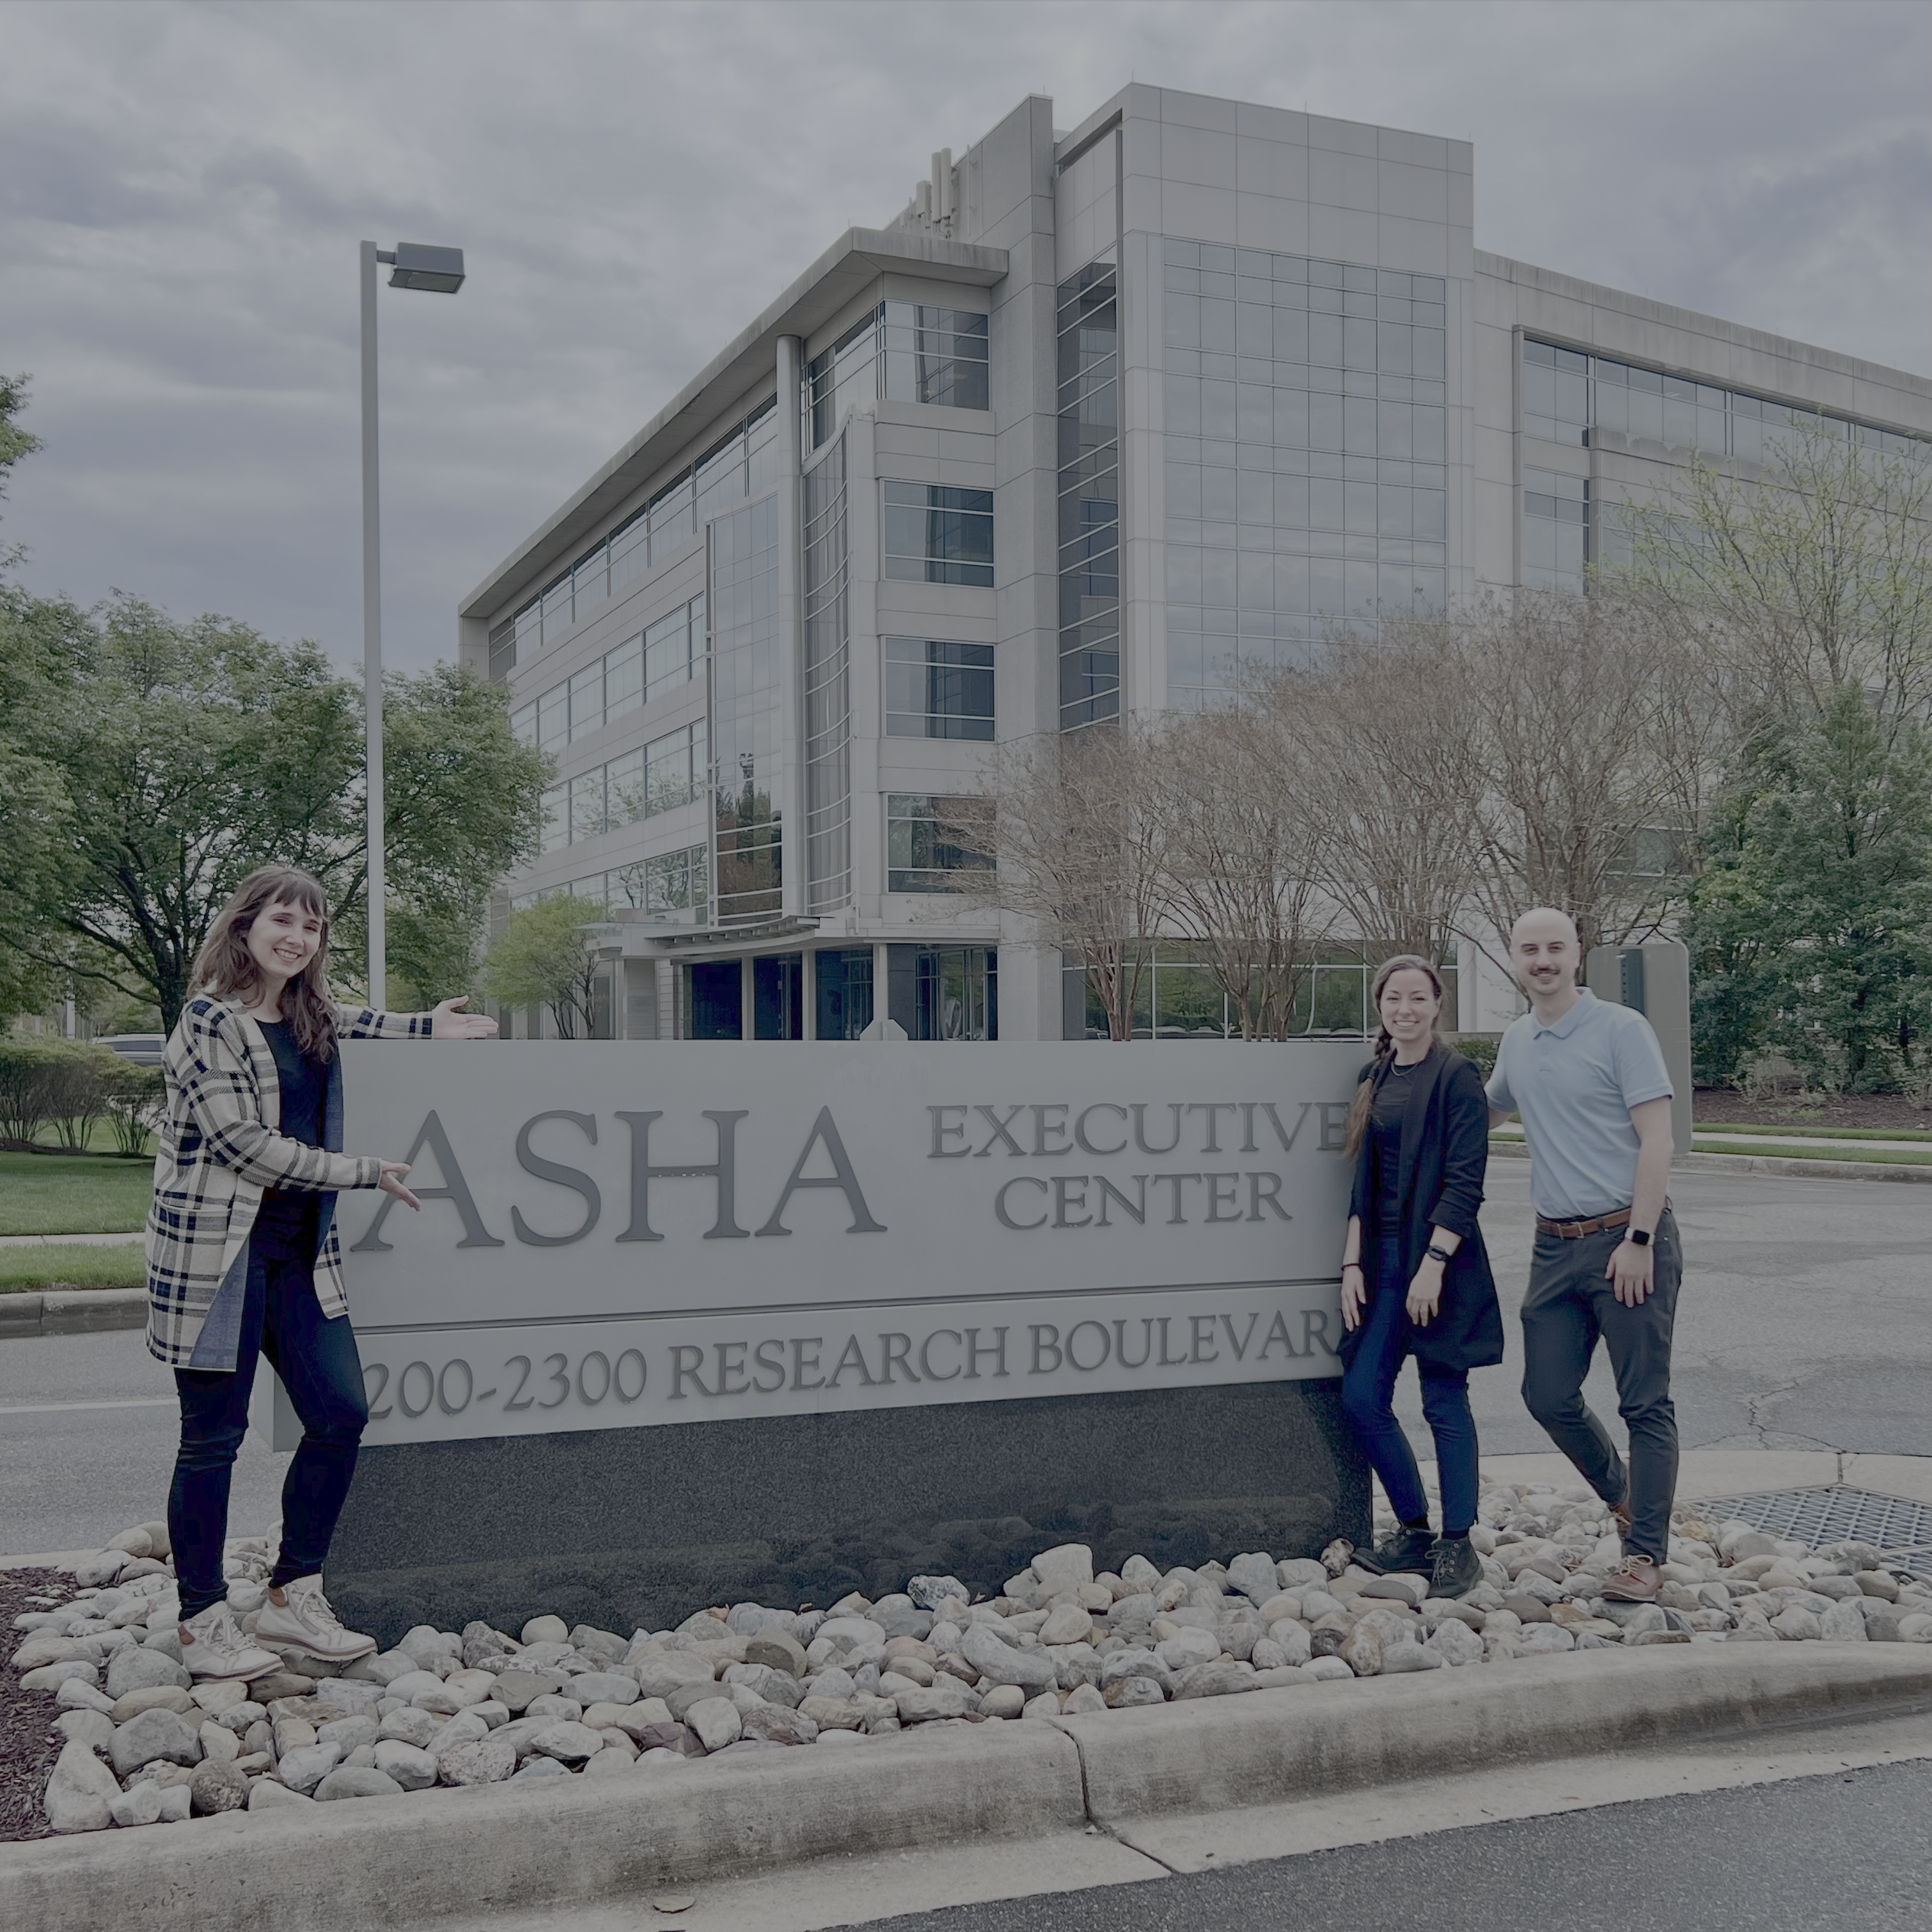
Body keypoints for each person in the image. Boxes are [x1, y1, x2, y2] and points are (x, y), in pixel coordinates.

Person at [146, 863, 497, 1680]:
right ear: (244, 926)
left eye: (311, 926)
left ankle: (290, 1596)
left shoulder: (311, 1014)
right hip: (217, 1261)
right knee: (212, 1443)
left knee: (340, 1412)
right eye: (282, 920)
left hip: (301, 1255)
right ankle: (201, 1619)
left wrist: (428, 1027)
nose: (296, 937)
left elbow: (362, 1019)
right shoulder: (209, 1021)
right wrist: (361, 1171)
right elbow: (239, 1142)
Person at [1486, 907, 1679, 1605]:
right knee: (1546, 1394)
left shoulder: (1622, 1030)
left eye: (1555, 948)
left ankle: (1646, 1555)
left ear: (1578, 955)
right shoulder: (1518, 1039)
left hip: (1627, 1238)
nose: (1543, 959)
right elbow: (1487, 1112)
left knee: (1644, 1403)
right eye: (1530, 949)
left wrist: (1640, 1241)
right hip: (1553, 1246)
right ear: (1514, 957)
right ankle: (1626, 1497)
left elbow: (1658, 1140)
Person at [1337, 954, 1503, 1599]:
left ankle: (1459, 1544)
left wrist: (1433, 1265)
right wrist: (1351, 1263)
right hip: (1379, 1265)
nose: (1404, 1009)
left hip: (1440, 1265)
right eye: (1393, 999)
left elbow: (1467, 1182)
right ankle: (1414, 1531)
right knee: (1361, 1397)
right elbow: (1360, 1182)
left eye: (1417, 999)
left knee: (1443, 1400)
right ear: (1381, 1007)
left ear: (1437, 1006)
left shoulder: (1458, 1077)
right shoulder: (1372, 1075)